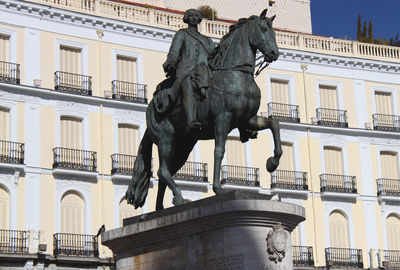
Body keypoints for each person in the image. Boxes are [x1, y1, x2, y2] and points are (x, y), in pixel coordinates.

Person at [162, 9, 214, 131]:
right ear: (186, 19)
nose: (194, 17)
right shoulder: (182, 34)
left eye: (196, 15)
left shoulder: (207, 40)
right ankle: (191, 120)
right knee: (188, 86)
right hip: (187, 70)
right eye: (191, 15)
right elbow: (174, 52)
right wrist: (171, 62)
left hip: (205, 71)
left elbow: (214, 56)